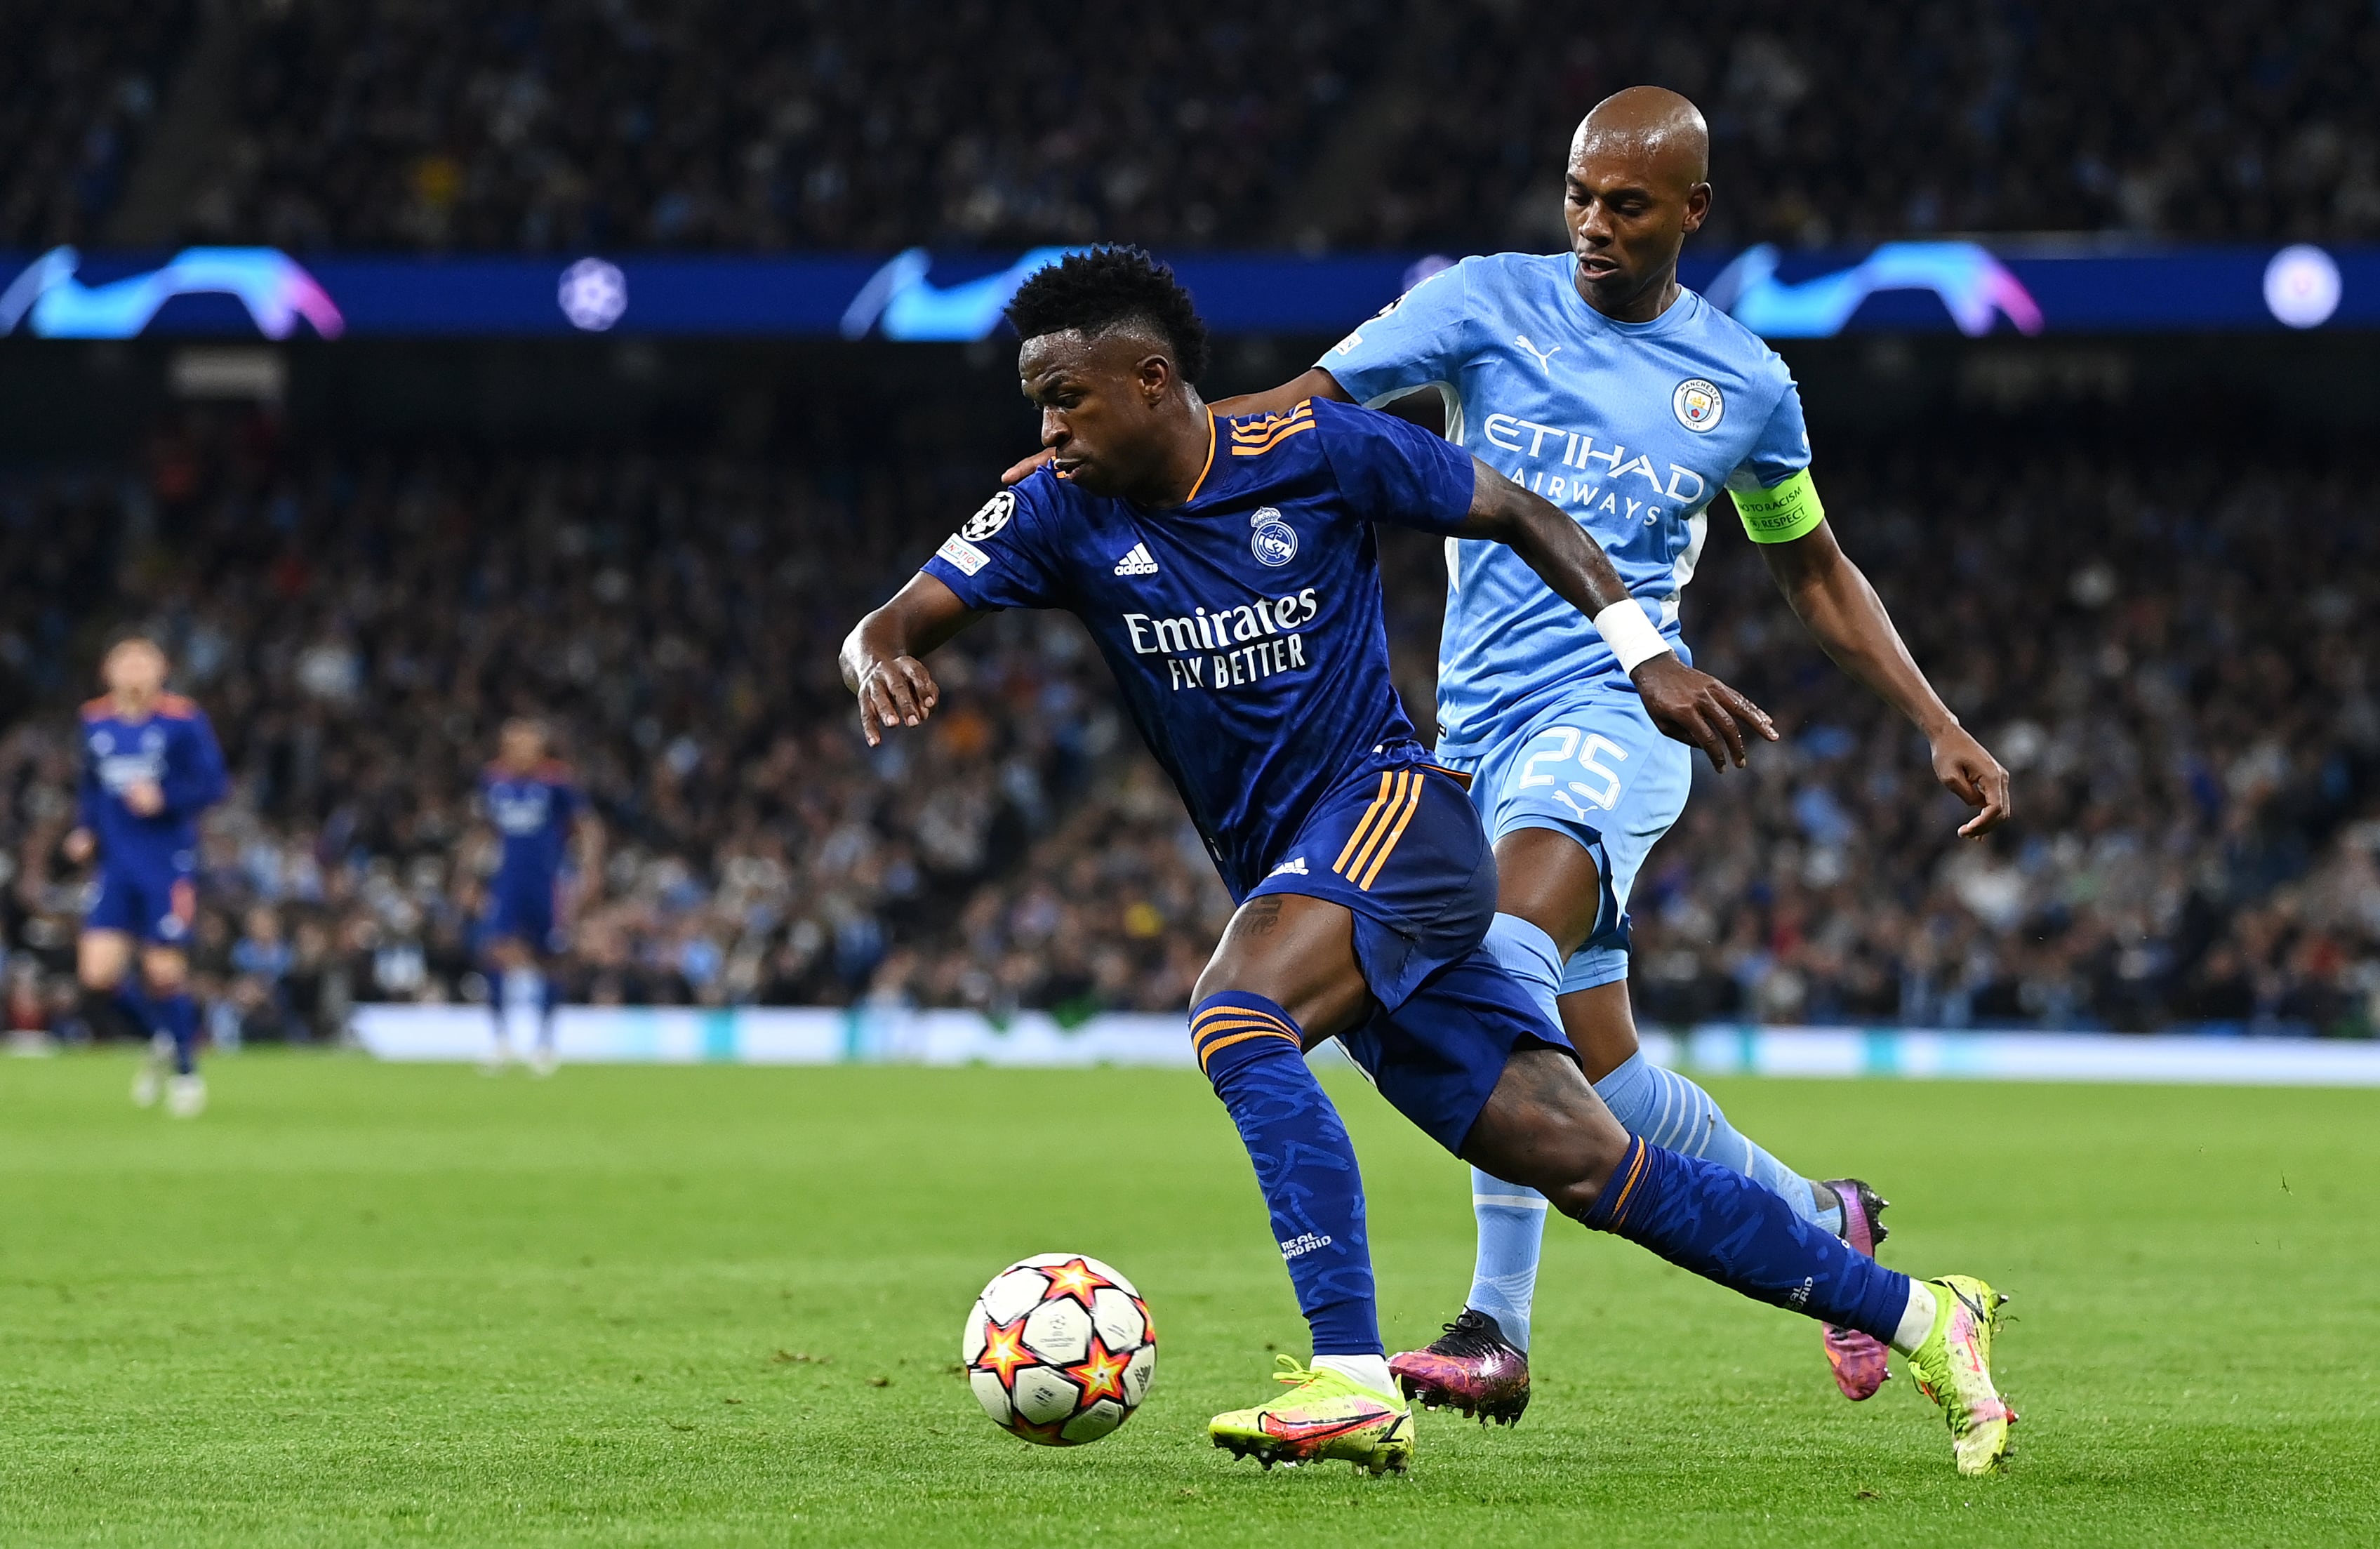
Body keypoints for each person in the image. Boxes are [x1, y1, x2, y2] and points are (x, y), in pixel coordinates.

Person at [850, 247, 2014, 1476]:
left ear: (1150, 381)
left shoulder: (1317, 452)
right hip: (1311, 869)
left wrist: (1642, 651)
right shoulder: (1053, 511)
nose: (1046, 429)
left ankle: (1348, 1374)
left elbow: (1517, 507)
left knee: (1237, 1016)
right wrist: (877, 658)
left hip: (1398, 816)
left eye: (1065, 399)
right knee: (1586, 1158)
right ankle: (1923, 1315)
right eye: (1038, 404)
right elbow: (885, 621)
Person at [65, 634, 229, 1117]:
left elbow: (214, 782)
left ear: (162, 670)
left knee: (163, 972)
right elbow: (91, 783)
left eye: (144, 661)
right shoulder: (94, 719)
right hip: (116, 864)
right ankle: (161, 1034)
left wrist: (166, 797)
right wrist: (85, 828)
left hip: (166, 863)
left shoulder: (182, 719)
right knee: (96, 974)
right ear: (108, 671)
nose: (134, 670)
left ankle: (185, 1072)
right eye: (125, 661)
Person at [474, 718, 599, 1075]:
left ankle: (545, 1042)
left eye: (526, 745)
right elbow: (485, 828)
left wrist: (590, 870)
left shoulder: (557, 781)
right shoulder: (492, 780)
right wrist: (469, 874)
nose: (519, 752)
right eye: (512, 744)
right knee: (495, 951)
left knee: (550, 958)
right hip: (507, 882)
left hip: (547, 883)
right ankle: (501, 1040)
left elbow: (587, 826)